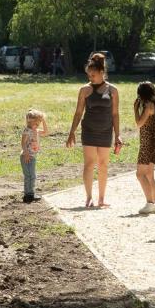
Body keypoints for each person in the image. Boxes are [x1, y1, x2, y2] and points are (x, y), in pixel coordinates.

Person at [66, 53, 122, 208]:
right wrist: (72, 132)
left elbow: (115, 114)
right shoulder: (84, 90)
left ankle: (102, 198)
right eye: (88, 75)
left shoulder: (113, 90)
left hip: (105, 132)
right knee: (89, 164)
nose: (90, 78)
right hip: (89, 131)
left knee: (103, 164)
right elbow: (78, 113)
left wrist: (118, 135)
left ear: (102, 73)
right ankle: (89, 197)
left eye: (93, 75)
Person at [133, 82, 155, 214]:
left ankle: (150, 203)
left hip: (147, 143)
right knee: (149, 174)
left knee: (140, 174)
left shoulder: (149, 105)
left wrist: (135, 110)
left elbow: (139, 123)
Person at [21, 109, 49, 202]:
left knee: (32, 176)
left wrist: (44, 120)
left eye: (38, 124)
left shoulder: (36, 131)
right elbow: (23, 143)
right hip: (26, 156)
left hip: (32, 156)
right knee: (28, 175)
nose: (37, 126)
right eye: (35, 123)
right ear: (29, 122)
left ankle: (30, 193)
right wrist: (26, 154)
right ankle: (27, 194)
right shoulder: (27, 131)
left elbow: (46, 132)